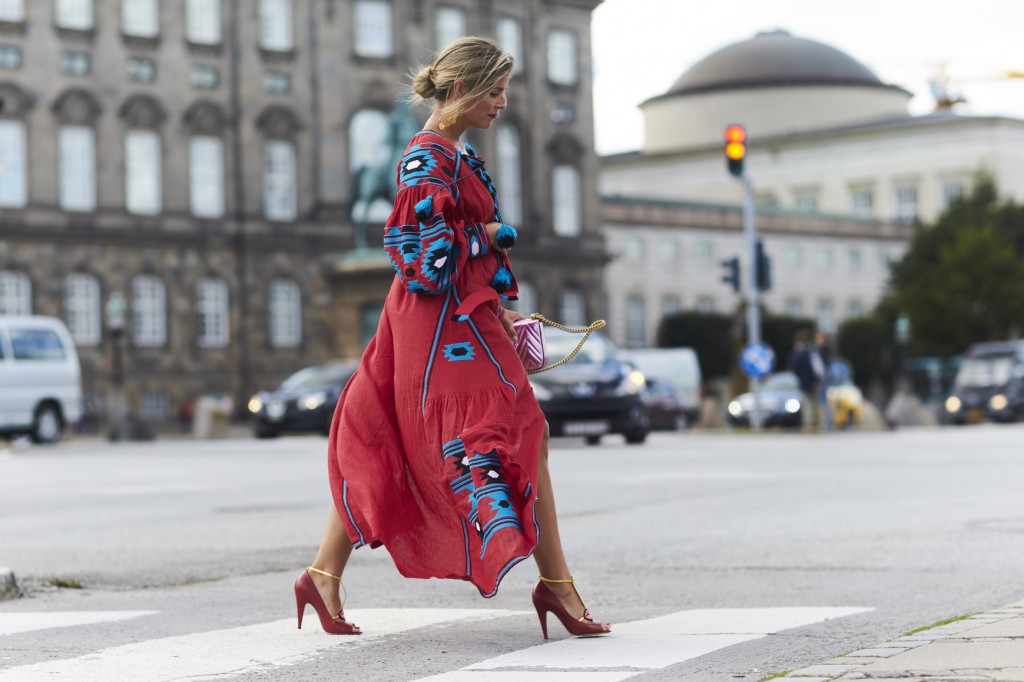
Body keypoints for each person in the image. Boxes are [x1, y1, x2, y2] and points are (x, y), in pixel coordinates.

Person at [293, 37, 610, 640]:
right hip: (437, 325)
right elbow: (419, 259)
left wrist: (500, 304)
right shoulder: (425, 158)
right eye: (494, 91)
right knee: (515, 429)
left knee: (403, 433)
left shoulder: (457, 155)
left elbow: (450, 258)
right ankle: (557, 586)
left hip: (462, 318)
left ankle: (323, 573)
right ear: (461, 90)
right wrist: (488, 236)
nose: (503, 103)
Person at [788, 328, 825, 431]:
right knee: (815, 402)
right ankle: (816, 423)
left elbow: (793, 367)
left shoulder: (798, 352)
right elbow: (819, 368)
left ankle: (809, 424)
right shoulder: (812, 351)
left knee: (807, 403)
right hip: (814, 380)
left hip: (804, 380)